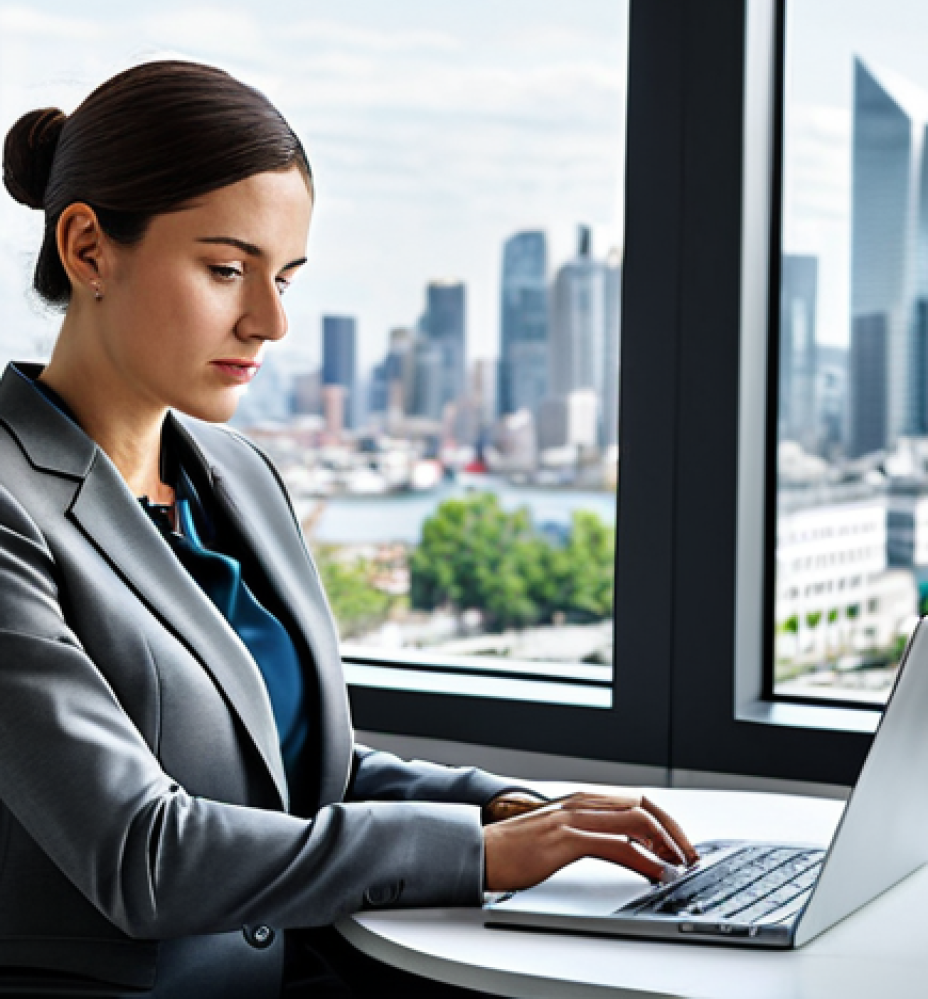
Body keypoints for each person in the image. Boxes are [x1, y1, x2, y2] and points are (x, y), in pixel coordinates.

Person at [0, 60, 696, 998]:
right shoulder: (11, 503)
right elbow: (143, 851)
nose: (271, 321)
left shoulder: (238, 478)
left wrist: (507, 809)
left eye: (284, 276)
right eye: (225, 270)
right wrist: (482, 855)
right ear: (87, 248)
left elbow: (290, 772)